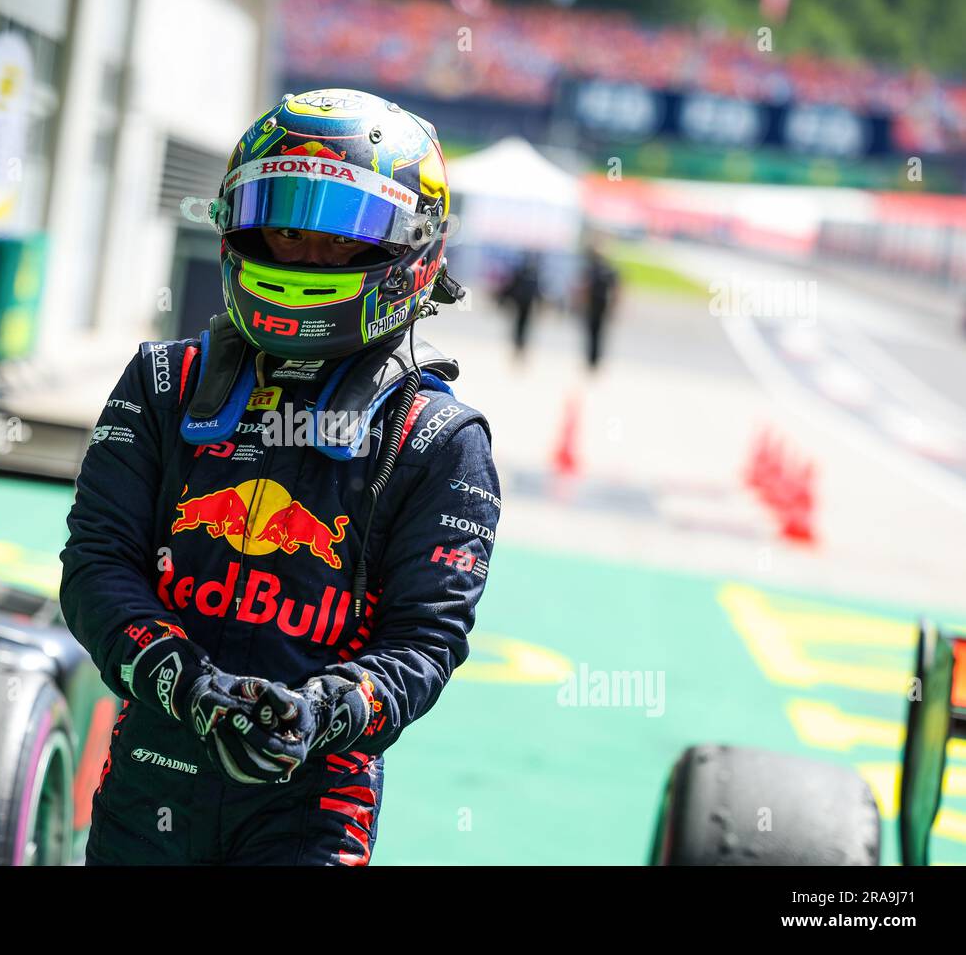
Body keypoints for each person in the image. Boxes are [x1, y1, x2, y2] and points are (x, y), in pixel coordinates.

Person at [59, 87, 501, 865]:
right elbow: (97, 568)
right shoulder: (162, 382)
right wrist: (188, 687)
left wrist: (320, 712)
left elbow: (425, 643)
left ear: (413, 249)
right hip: (156, 771)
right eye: (287, 227)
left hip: (313, 799)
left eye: (342, 238)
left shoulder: (440, 438)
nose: (305, 257)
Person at [496, 251, 541, 364]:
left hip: (525, 305)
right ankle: (518, 348)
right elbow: (511, 288)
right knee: (520, 327)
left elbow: (511, 288)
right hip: (521, 304)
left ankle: (520, 348)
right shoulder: (525, 274)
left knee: (522, 327)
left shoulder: (529, 275)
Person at [580, 242, 618, 372]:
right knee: (596, 333)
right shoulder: (607, 269)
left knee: (594, 333)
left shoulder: (594, 269)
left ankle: (593, 360)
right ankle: (593, 360)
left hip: (596, 304)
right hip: (600, 304)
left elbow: (585, 288)